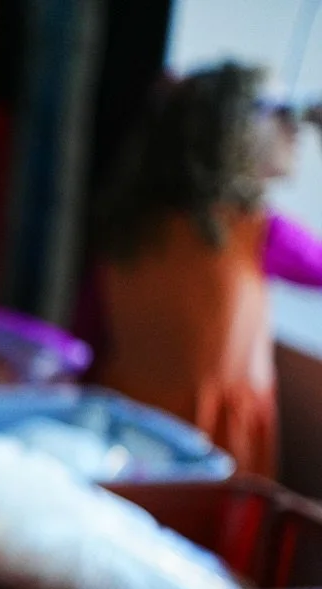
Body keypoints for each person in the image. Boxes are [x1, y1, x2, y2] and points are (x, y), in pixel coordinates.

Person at [79, 61, 322, 477]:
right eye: (283, 112)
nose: (296, 128)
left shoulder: (129, 223)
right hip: (214, 443)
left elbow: (87, 332)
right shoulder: (257, 232)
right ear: (235, 135)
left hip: (124, 421)